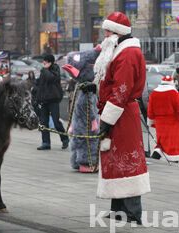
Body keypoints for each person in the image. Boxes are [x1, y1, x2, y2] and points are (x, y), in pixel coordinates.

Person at [94, 12, 150, 224]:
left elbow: (121, 90)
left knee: (128, 162)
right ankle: (118, 210)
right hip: (117, 111)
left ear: (117, 33)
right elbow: (111, 82)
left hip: (122, 114)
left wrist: (107, 120)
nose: (105, 34)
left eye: (107, 31)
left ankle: (133, 212)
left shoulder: (127, 54)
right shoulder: (118, 50)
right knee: (115, 161)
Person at [36, 54, 69, 150]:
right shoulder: (44, 71)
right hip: (44, 100)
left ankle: (65, 139)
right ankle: (46, 142)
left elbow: (52, 78)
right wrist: (37, 98)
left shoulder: (55, 69)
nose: (44, 63)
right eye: (43, 61)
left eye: (45, 61)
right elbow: (40, 85)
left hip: (53, 100)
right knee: (43, 122)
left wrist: (45, 70)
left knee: (56, 121)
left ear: (50, 62)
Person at [147, 76, 179, 161]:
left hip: (159, 122)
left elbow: (150, 109)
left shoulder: (154, 93)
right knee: (172, 142)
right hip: (172, 122)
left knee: (161, 141)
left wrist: (151, 121)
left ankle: (156, 153)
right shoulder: (174, 93)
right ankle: (174, 158)